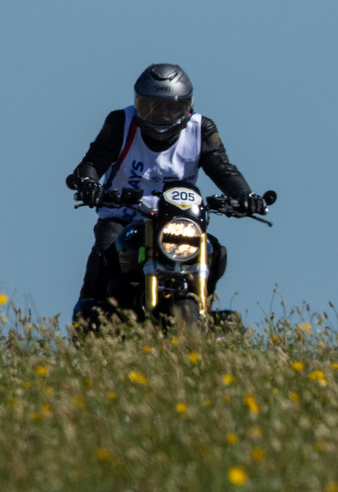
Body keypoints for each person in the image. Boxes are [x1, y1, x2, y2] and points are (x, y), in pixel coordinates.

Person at [65, 63, 265, 318]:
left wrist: (245, 196)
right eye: (154, 106)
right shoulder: (120, 123)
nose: (164, 114)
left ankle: (203, 308)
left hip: (177, 219)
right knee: (106, 251)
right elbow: (92, 163)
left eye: (173, 106)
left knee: (215, 250)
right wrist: (88, 184)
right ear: (139, 104)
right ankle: (86, 316)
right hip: (123, 214)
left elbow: (223, 169)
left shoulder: (201, 129)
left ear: (187, 106)